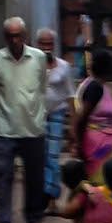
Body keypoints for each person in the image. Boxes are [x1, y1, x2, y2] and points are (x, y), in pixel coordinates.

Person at [0, 16, 48, 223]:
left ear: (25, 36)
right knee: (3, 176)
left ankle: (33, 218)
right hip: (4, 127)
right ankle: (4, 221)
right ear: (5, 37)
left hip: (32, 126)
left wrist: (40, 115)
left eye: (18, 35)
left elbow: (42, 87)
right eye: (10, 36)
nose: (14, 40)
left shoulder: (39, 58)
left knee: (34, 177)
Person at [74, 47, 112, 182]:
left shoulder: (93, 84)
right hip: (99, 142)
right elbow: (81, 118)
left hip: (103, 140)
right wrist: (78, 145)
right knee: (102, 183)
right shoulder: (95, 87)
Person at [37, 25, 75, 201]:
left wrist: (74, 123)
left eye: (49, 43)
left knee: (53, 156)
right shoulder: (32, 65)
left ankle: (52, 197)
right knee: (40, 158)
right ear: (37, 44)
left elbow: (71, 95)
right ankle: (44, 194)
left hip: (57, 115)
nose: (46, 47)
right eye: (43, 43)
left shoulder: (64, 66)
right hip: (37, 116)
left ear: (54, 44)